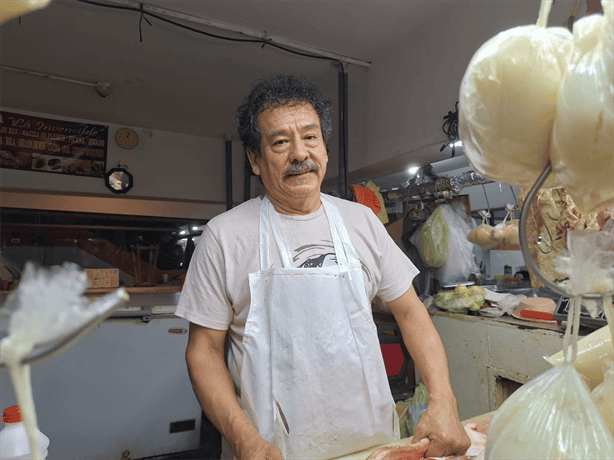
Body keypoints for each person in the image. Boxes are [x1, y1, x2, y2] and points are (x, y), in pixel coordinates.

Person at [176, 74, 471, 460]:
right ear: (255, 159)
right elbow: (203, 350)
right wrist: (242, 438)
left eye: (310, 137)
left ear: (325, 149)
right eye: (280, 142)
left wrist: (443, 399)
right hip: (271, 447)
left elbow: (410, 312)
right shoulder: (224, 236)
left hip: (371, 441)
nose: (300, 153)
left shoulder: (362, 222)